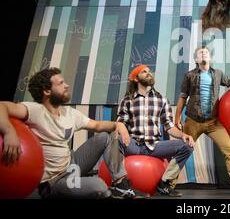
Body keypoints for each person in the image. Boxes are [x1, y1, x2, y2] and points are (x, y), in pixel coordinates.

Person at [0, 67, 144, 199]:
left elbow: (98, 125)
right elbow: (2, 106)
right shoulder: (35, 110)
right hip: (55, 180)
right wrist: (8, 131)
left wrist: (118, 124)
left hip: (72, 165)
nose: (67, 85)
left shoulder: (69, 113)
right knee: (99, 186)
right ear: (47, 91)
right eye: (61, 83)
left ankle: (121, 185)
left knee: (106, 136)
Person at [174, 46, 230, 194]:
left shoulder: (218, 74)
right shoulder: (189, 75)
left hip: (213, 122)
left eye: (206, 52)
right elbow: (182, 97)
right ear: (196, 59)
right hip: (193, 121)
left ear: (210, 58)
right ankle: (168, 185)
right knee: (182, 150)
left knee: (229, 150)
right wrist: (177, 117)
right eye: (200, 52)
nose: (203, 53)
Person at [117, 64, 195, 197]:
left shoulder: (162, 100)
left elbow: (169, 126)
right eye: (144, 72)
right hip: (134, 145)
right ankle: (121, 184)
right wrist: (122, 131)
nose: (149, 73)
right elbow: (120, 123)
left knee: (187, 145)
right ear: (136, 79)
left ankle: (164, 183)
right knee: (115, 139)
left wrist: (183, 135)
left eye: (149, 71)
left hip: (155, 146)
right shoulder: (127, 100)